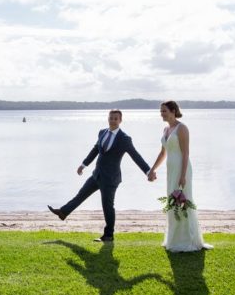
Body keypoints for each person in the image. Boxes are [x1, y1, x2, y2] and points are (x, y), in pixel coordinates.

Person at [48, 109, 154, 243]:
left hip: (110, 179)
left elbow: (136, 156)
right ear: (108, 119)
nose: (113, 120)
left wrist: (148, 171)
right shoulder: (102, 132)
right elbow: (95, 150)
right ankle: (63, 212)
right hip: (96, 175)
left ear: (120, 121)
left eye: (116, 118)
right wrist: (83, 164)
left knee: (107, 206)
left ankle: (108, 235)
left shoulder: (125, 139)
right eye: (111, 118)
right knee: (80, 195)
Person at [148, 101, 212, 253]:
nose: (161, 114)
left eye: (164, 111)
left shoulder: (182, 128)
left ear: (173, 111)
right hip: (171, 169)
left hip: (182, 169)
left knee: (183, 201)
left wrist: (183, 175)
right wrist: (152, 169)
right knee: (172, 201)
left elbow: (186, 153)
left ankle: (187, 240)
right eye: (161, 111)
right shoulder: (166, 129)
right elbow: (163, 153)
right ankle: (174, 238)